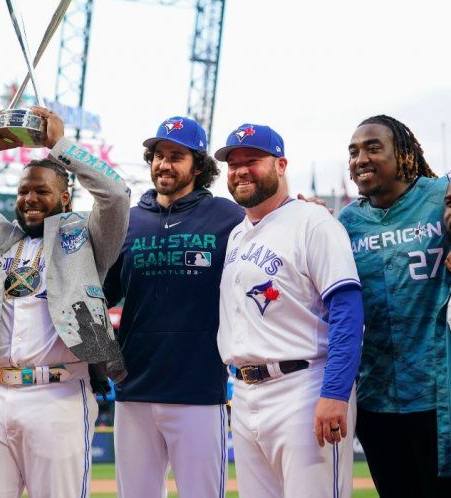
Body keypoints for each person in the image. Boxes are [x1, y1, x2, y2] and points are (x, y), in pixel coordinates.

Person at [0, 106, 129, 497]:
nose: (29, 198)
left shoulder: (88, 236)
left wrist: (60, 145)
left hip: (60, 392)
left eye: (41, 191)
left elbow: (117, 195)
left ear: (65, 198)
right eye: (23, 191)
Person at [215, 124, 364, 498]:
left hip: (304, 387)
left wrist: (334, 393)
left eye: (253, 160)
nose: (241, 170)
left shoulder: (314, 222)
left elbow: (347, 310)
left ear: (281, 164)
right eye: (233, 164)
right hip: (246, 394)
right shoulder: (237, 233)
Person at [103, 116, 244, 497]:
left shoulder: (229, 218)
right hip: (134, 387)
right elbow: (100, 296)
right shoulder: (128, 222)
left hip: (198, 388)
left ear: (198, 165)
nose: (164, 164)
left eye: (176, 156)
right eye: (159, 155)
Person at [338, 115, 451, 494]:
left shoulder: (440, 196)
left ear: (402, 153)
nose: (360, 159)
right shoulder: (346, 223)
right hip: (376, 398)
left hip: (439, 393)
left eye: (373, 148)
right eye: (353, 152)